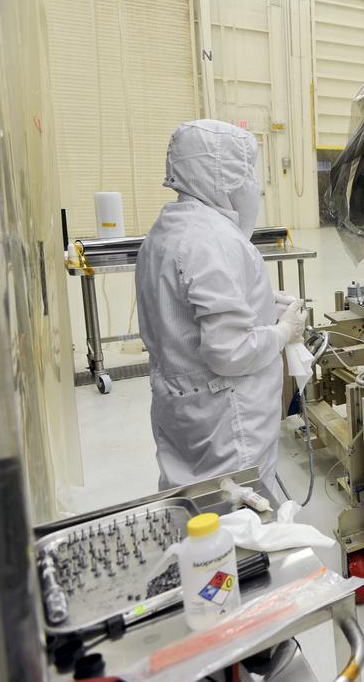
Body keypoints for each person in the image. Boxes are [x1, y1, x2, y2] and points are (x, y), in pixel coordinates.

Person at [137, 120, 305, 502]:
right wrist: (282, 332)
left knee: (192, 503)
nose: (253, 186)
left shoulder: (165, 230)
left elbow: (185, 315)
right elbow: (228, 351)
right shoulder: (213, 240)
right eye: (246, 174)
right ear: (220, 175)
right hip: (225, 419)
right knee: (235, 515)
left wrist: (260, 303)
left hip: (181, 407)